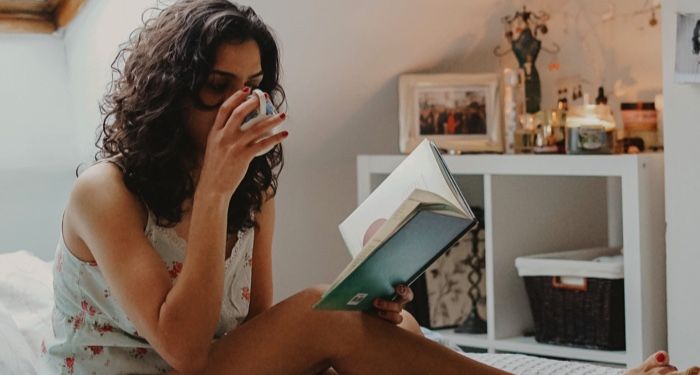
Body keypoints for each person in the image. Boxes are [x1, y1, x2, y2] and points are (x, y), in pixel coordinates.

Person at [38, 1, 694, 374]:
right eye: (217, 87)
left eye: (254, 86)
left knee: (382, 323)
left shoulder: (253, 181)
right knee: (328, 311)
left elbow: (256, 327)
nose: (242, 106)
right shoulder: (105, 193)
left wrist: (363, 307)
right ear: (169, 91)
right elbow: (182, 348)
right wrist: (211, 193)